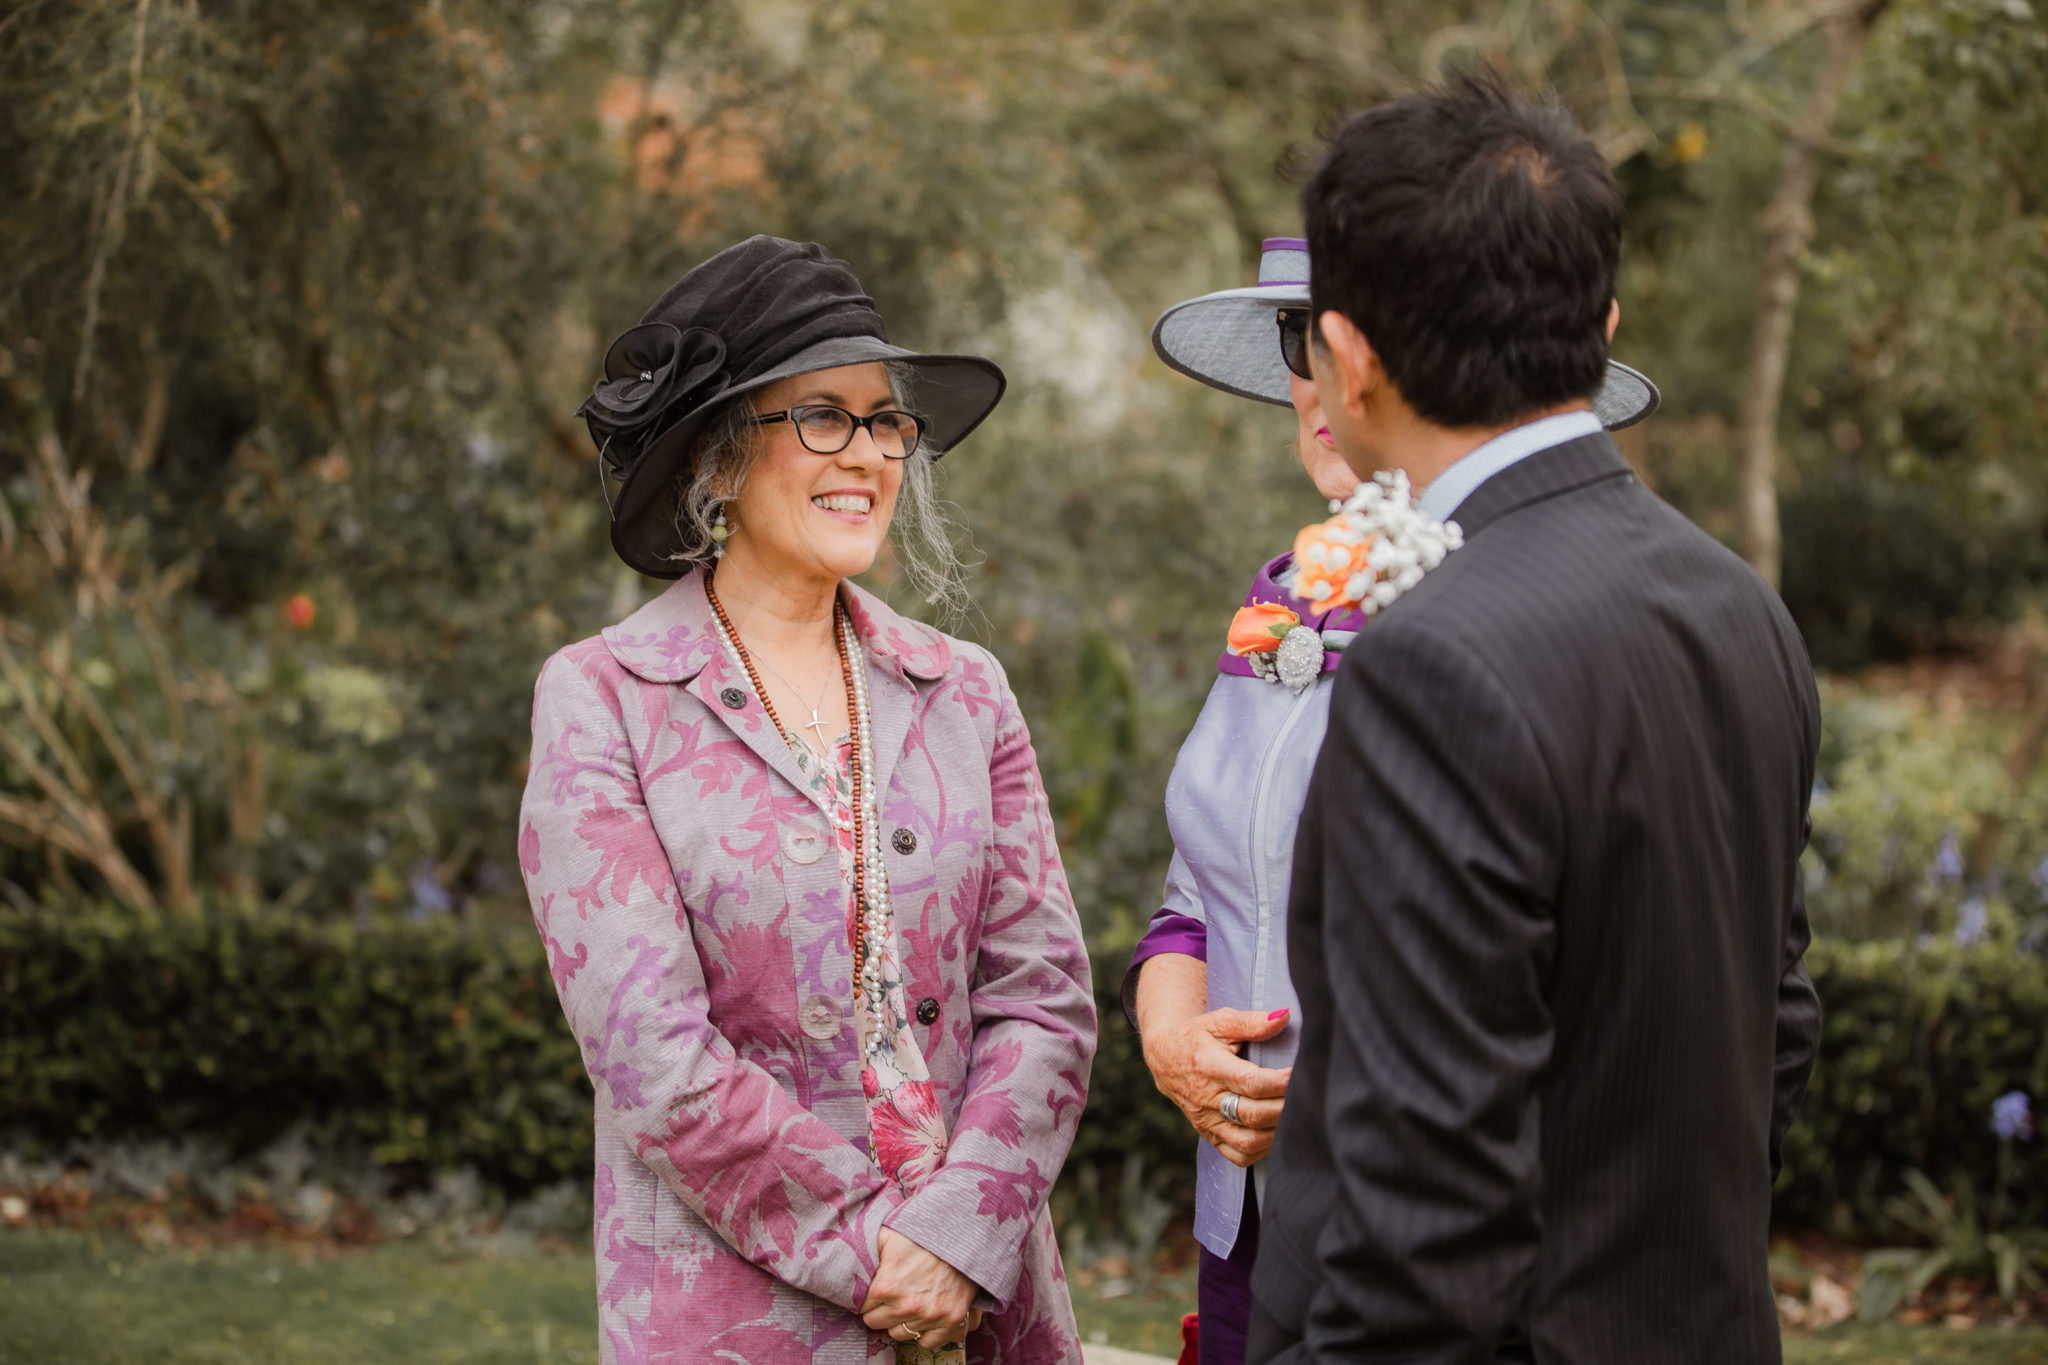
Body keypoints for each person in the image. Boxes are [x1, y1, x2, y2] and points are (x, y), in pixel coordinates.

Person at [1247, 74, 1822, 1365]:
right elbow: (1776, 1028)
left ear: (1348, 354)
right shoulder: (1743, 608)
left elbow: (1423, 1213)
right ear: (1604, 325)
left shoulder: (1437, 659)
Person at [517, 235, 1095, 1365]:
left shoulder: (963, 691)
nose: (871, 454)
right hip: (738, 1316)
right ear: (718, 458)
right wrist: (886, 1252)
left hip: (987, 1310)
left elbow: (1044, 1000)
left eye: (884, 421)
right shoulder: (604, 699)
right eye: (822, 416)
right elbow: (652, 1057)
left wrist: (962, 1236)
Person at [1132, 240, 1660, 1365]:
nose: (1327, 387)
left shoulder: (1519, 617)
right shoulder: (1279, 601)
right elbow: (1195, 893)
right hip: (1245, 1222)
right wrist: (1173, 1038)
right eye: (1301, 345)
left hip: (1435, 1242)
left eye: (1360, 347)